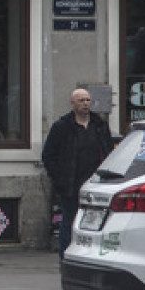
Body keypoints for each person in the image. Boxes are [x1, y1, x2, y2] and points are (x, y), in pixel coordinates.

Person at [41, 88, 113, 259]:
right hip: (71, 184)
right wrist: (59, 178)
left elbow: (109, 151)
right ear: (72, 103)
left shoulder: (99, 125)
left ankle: (91, 255)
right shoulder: (62, 126)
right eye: (81, 100)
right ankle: (66, 256)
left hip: (96, 184)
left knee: (95, 223)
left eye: (88, 100)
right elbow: (48, 155)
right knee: (70, 222)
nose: (85, 104)